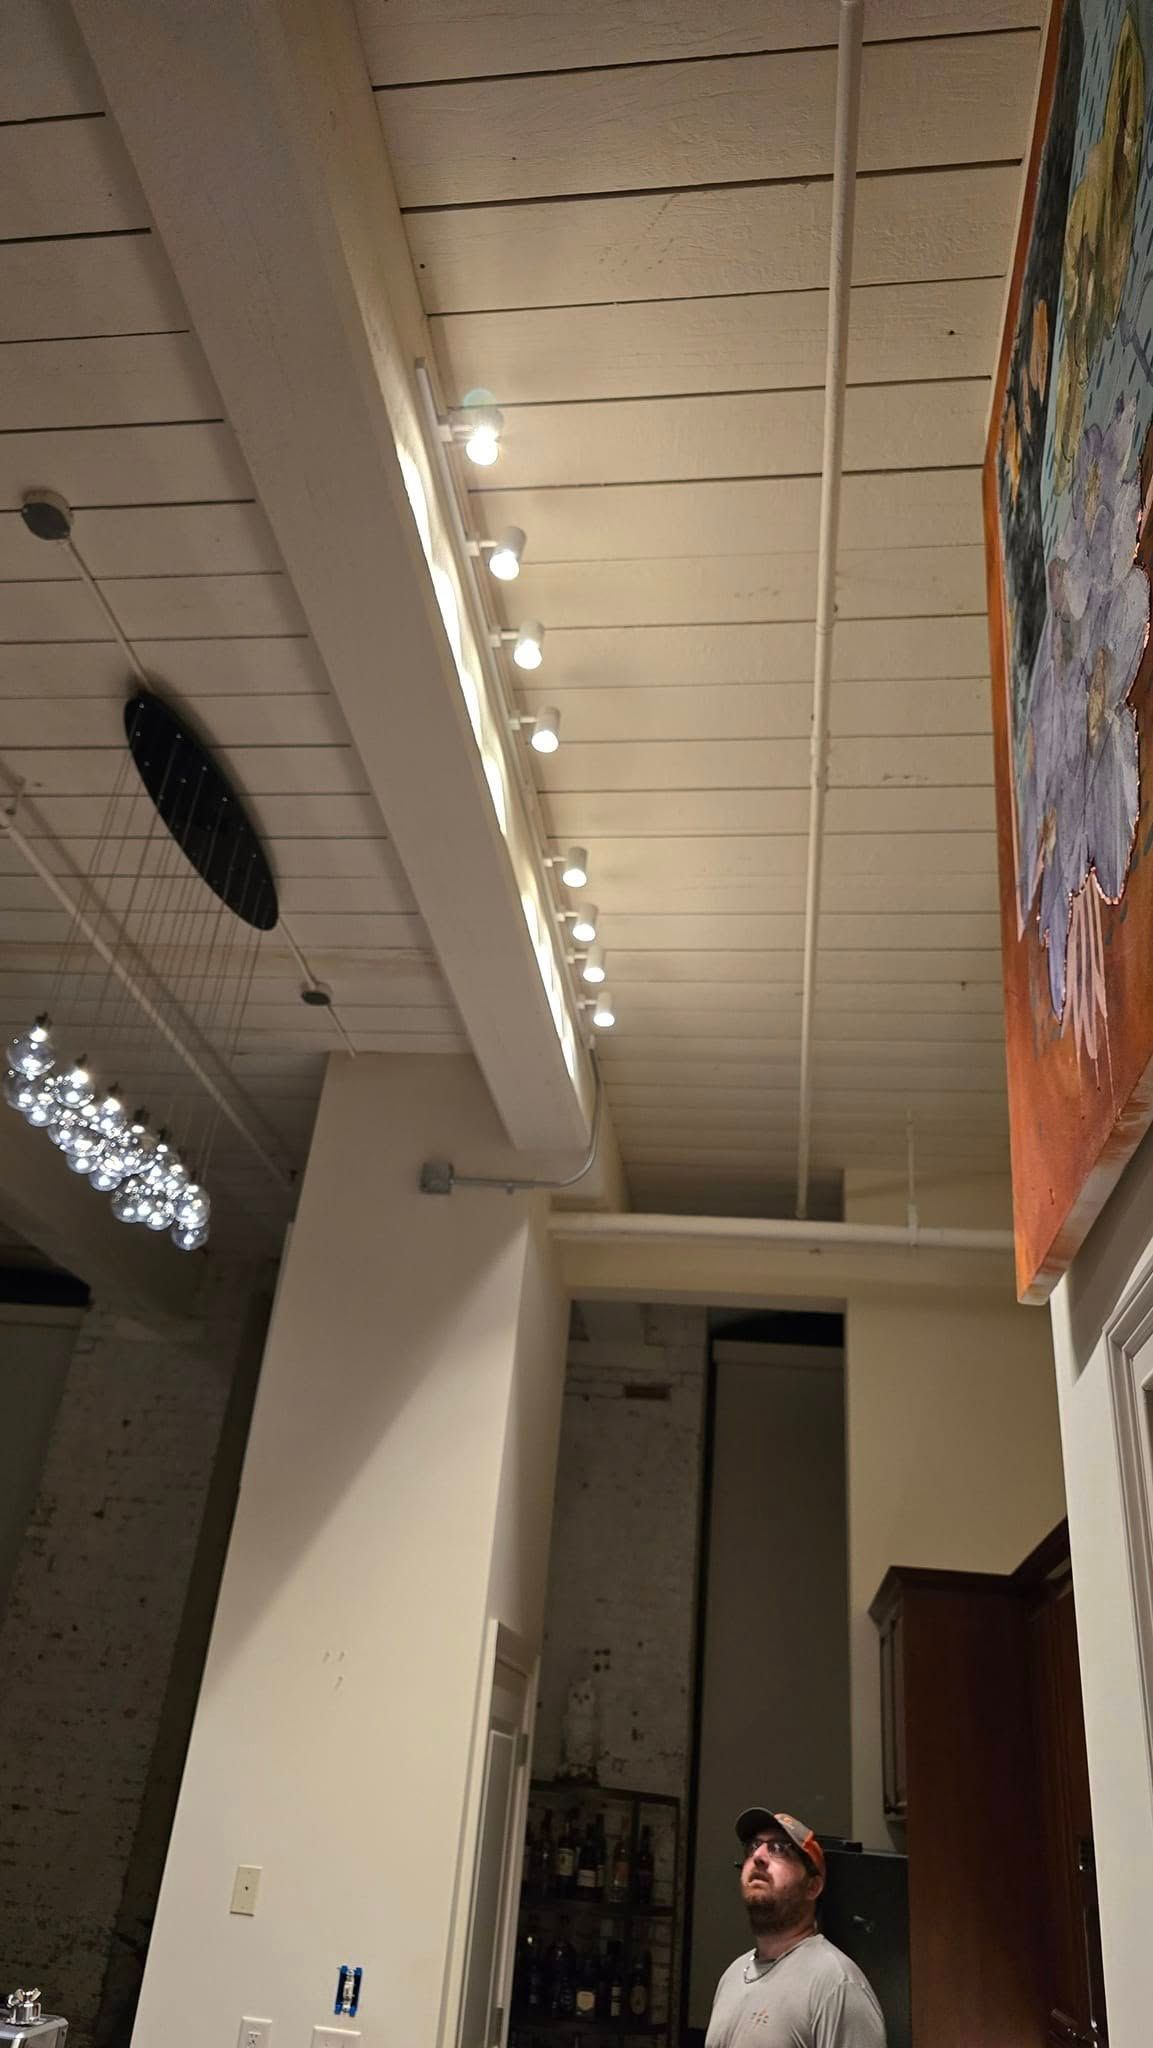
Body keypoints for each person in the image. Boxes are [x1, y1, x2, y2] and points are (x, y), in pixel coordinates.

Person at [705, 1806, 886, 2048]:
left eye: (779, 1848)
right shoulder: (733, 1975)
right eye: (752, 1845)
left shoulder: (836, 1984)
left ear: (812, 1887)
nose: (758, 1855)